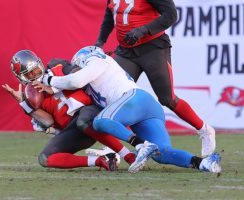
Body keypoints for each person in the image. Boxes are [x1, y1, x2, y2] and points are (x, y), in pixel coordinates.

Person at [39, 46, 221, 174]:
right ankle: (203, 163)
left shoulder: (97, 61)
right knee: (162, 153)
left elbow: (75, 81)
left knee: (100, 121)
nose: (76, 69)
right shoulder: (95, 77)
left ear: (84, 58)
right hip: (145, 107)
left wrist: (50, 81)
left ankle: (141, 145)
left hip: (134, 99)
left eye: (78, 65)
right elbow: (74, 87)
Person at [94, 0, 215, 157]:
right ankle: (115, 149)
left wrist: (142, 30)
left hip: (153, 48)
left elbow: (171, 15)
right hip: (126, 51)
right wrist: (100, 41)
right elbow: (110, 15)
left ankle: (204, 129)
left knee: (167, 99)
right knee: (115, 97)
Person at [2, 50, 135, 171]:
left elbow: (80, 77)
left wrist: (52, 85)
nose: (35, 74)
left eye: (35, 69)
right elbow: (48, 121)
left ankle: (129, 156)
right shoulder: (32, 96)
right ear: (22, 78)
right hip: (74, 129)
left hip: (90, 111)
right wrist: (24, 104)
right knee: (45, 158)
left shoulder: (57, 65)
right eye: (29, 74)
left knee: (83, 121)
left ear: (40, 64)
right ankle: (101, 160)